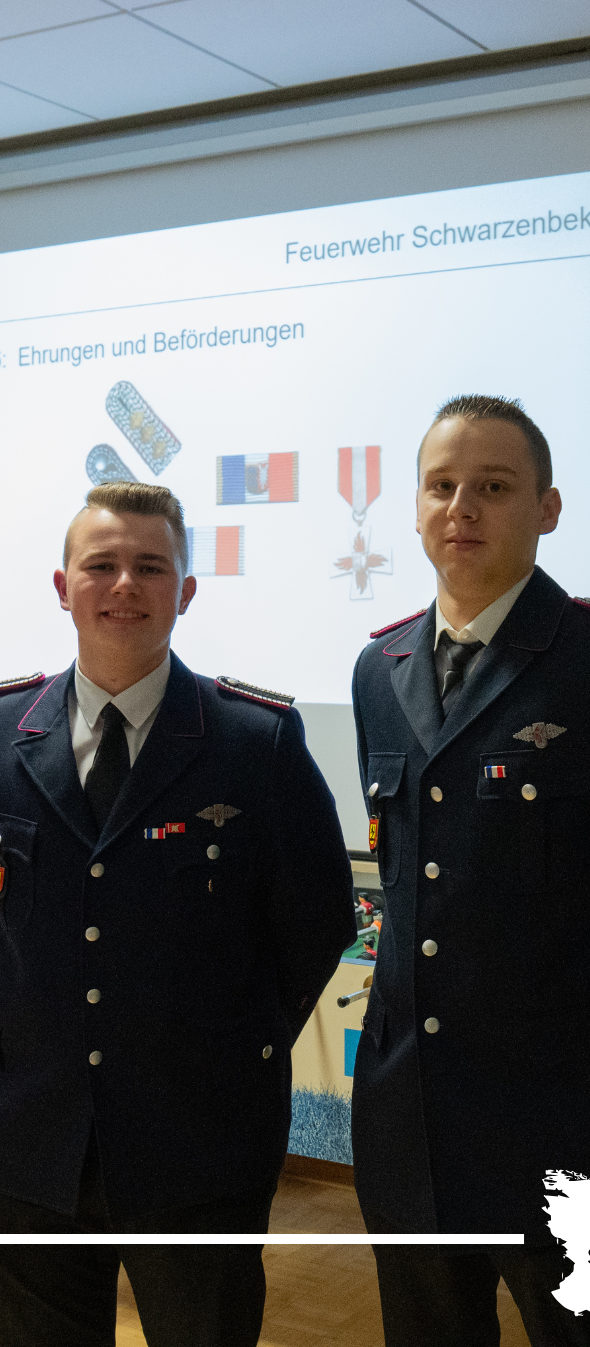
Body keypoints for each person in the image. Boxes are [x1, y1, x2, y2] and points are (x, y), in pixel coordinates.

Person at [350, 394, 590, 1346]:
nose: (461, 508)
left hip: (562, 1114)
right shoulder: (379, 668)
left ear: (547, 508)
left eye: (493, 486)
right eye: (442, 486)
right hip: (409, 1111)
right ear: (416, 507)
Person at [0, 482, 356, 1347]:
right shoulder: (4, 732)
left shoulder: (257, 743)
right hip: (31, 1141)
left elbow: (316, 923)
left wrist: (228, 1046)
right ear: (62, 588)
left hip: (201, 1141)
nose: (125, 584)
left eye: (151, 567)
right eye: (102, 565)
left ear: (186, 591)